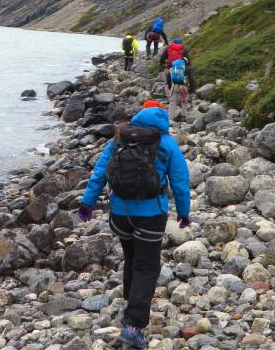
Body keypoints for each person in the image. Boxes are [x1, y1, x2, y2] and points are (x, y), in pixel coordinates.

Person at [75, 100, 190, 349]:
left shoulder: (120, 139)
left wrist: (87, 204)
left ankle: (131, 304)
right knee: (147, 266)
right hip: (151, 214)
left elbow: (100, 173)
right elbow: (180, 181)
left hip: (120, 213)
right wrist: (184, 212)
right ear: (163, 121)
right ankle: (133, 325)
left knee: (131, 258)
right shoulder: (167, 143)